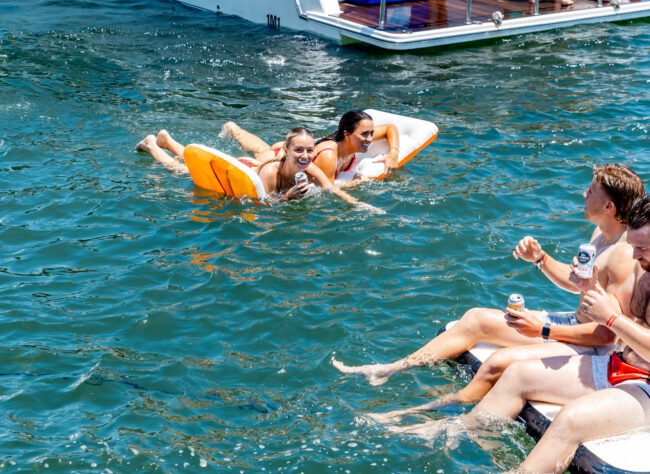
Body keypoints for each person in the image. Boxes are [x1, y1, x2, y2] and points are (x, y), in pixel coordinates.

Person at [385, 194, 650, 474]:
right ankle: (459, 429)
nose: (635, 255)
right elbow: (614, 318)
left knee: (570, 420)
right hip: (620, 366)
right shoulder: (644, 267)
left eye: (642, 247)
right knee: (517, 374)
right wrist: (590, 287)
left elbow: (613, 323)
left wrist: (611, 317)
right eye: (633, 246)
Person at [332, 164, 644, 400]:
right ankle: (393, 368)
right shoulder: (600, 235)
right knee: (476, 318)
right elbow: (578, 285)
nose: (583, 194)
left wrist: (544, 330)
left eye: (591, 192)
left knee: (498, 361)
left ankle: (446, 407)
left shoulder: (622, 255)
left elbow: (607, 335)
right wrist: (541, 259)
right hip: (574, 325)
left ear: (609, 206)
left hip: (589, 346)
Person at [135, 128, 376, 209]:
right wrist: (285, 199)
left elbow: (331, 188)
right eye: (299, 151)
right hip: (246, 171)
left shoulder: (310, 166)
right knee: (183, 171)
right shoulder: (272, 172)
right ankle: (152, 146)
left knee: (187, 166)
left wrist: (356, 204)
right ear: (286, 152)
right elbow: (260, 204)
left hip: (253, 171)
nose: (305, 155)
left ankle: (167, 141)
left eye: (309, 150)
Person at [222, 110, 400, 184]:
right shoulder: (329, 156)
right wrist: (359, 182)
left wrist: (393, 153)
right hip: (279, 159)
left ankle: (234, 129)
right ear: (347, 134)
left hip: (297, 151)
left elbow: (390, 128)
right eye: (365, 134)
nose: (370, 138)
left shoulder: (358, 136)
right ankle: (233, 129)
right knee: (261, 154)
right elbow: (325, 189)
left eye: (370, 133)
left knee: (262, 148)